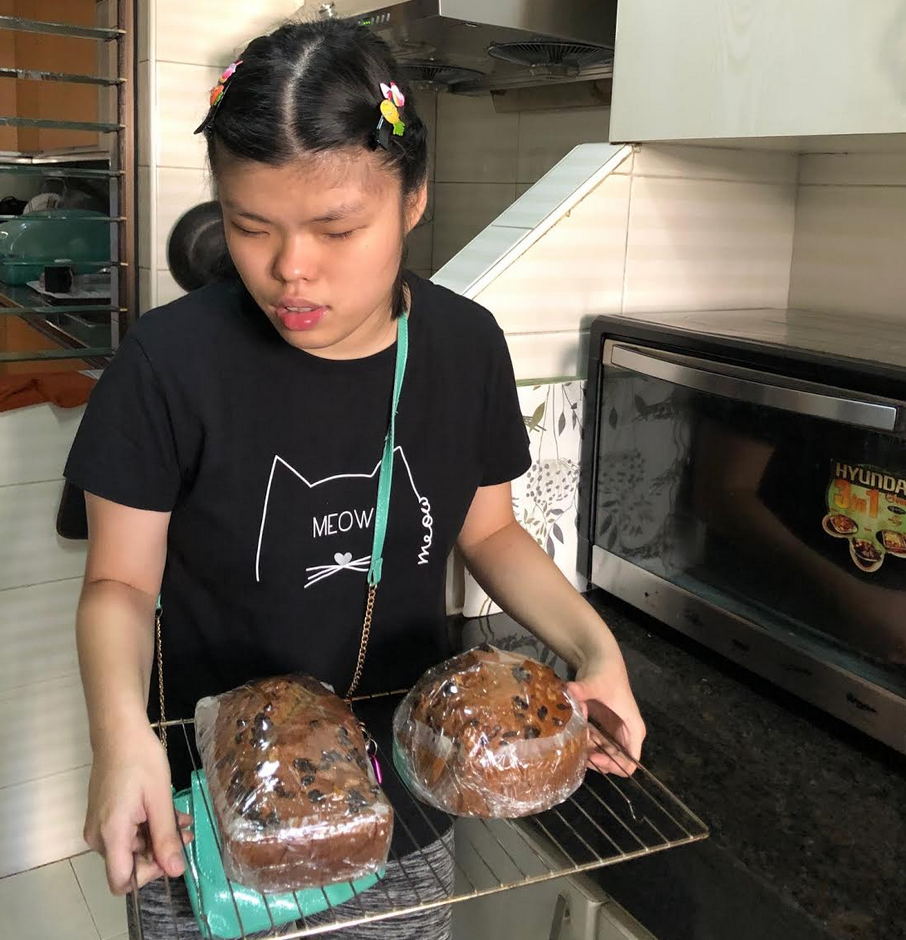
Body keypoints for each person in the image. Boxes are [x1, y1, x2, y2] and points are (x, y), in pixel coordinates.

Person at [65, 19, 646, 940]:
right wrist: (117, 740)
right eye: (251, 226)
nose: (291, 268)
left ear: (413, 199)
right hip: (211, 815)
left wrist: (594, 647)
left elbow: (488, 531)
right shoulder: (170, 363)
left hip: (405, 804)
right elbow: (119, 583)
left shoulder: (464, 348)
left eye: (338, 227)